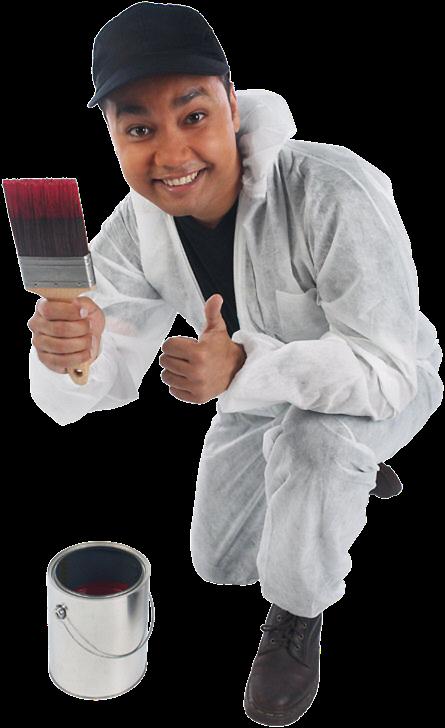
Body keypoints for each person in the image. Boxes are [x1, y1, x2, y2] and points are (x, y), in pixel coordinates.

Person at [28, 4, 443, 724]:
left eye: (192, 116)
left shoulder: (330, 187)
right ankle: (343, 480)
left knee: (316, 445)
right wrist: (71, 352)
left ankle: (298, 617)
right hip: (255, 393)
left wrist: (242, 363)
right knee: (219, 564)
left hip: (383, 379)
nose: (171, 154)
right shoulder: (133, 228)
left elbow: (386, 370)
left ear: (230, 103)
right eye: (139, 129)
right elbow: (97, 374)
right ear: (114, 137)